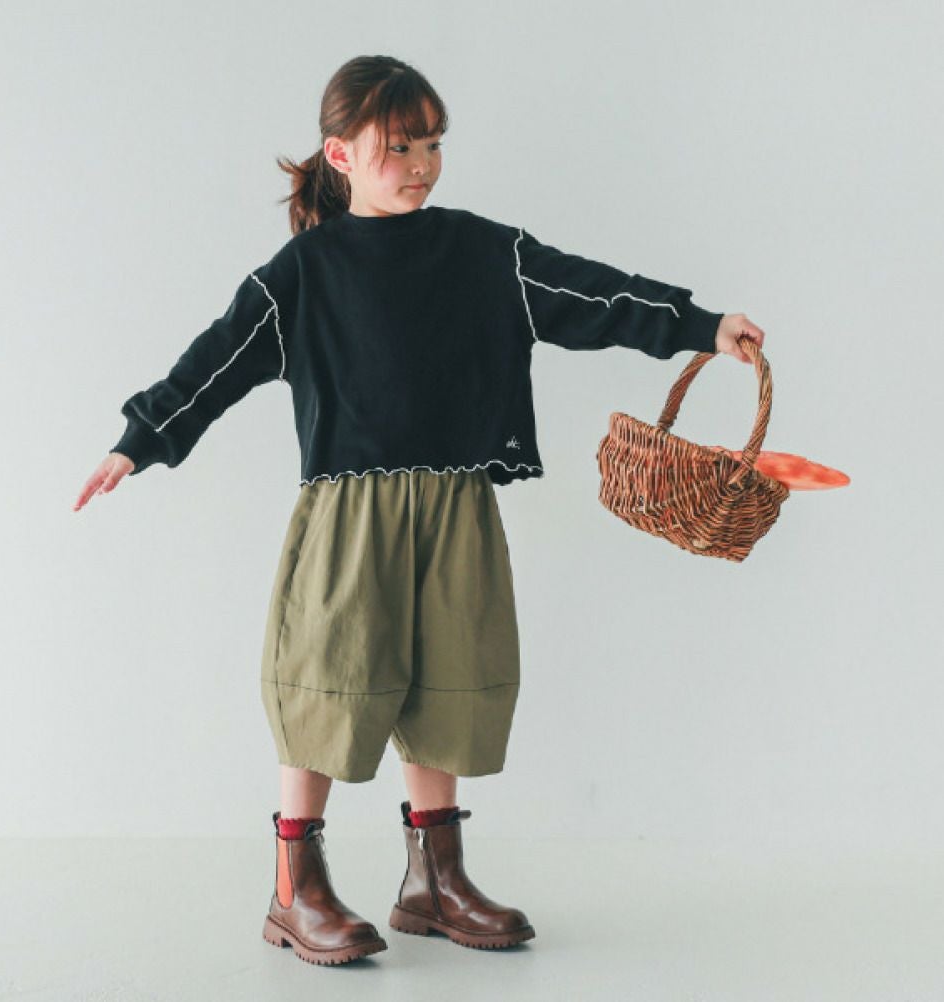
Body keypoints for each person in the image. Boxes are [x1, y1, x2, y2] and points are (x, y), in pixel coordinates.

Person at [73, 54, 766, 967]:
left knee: (449, 680)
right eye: (398, 147)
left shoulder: (481, 253)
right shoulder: (304, 273)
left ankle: (434, 881)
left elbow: (589, 293)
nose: (421, 164)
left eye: (433, 144)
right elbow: (216, 359)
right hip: (348, 520)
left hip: (456, 506)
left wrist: (700, 324)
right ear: (341, 154)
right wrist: (141, 437)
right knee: (326, 681)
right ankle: (294, 888)